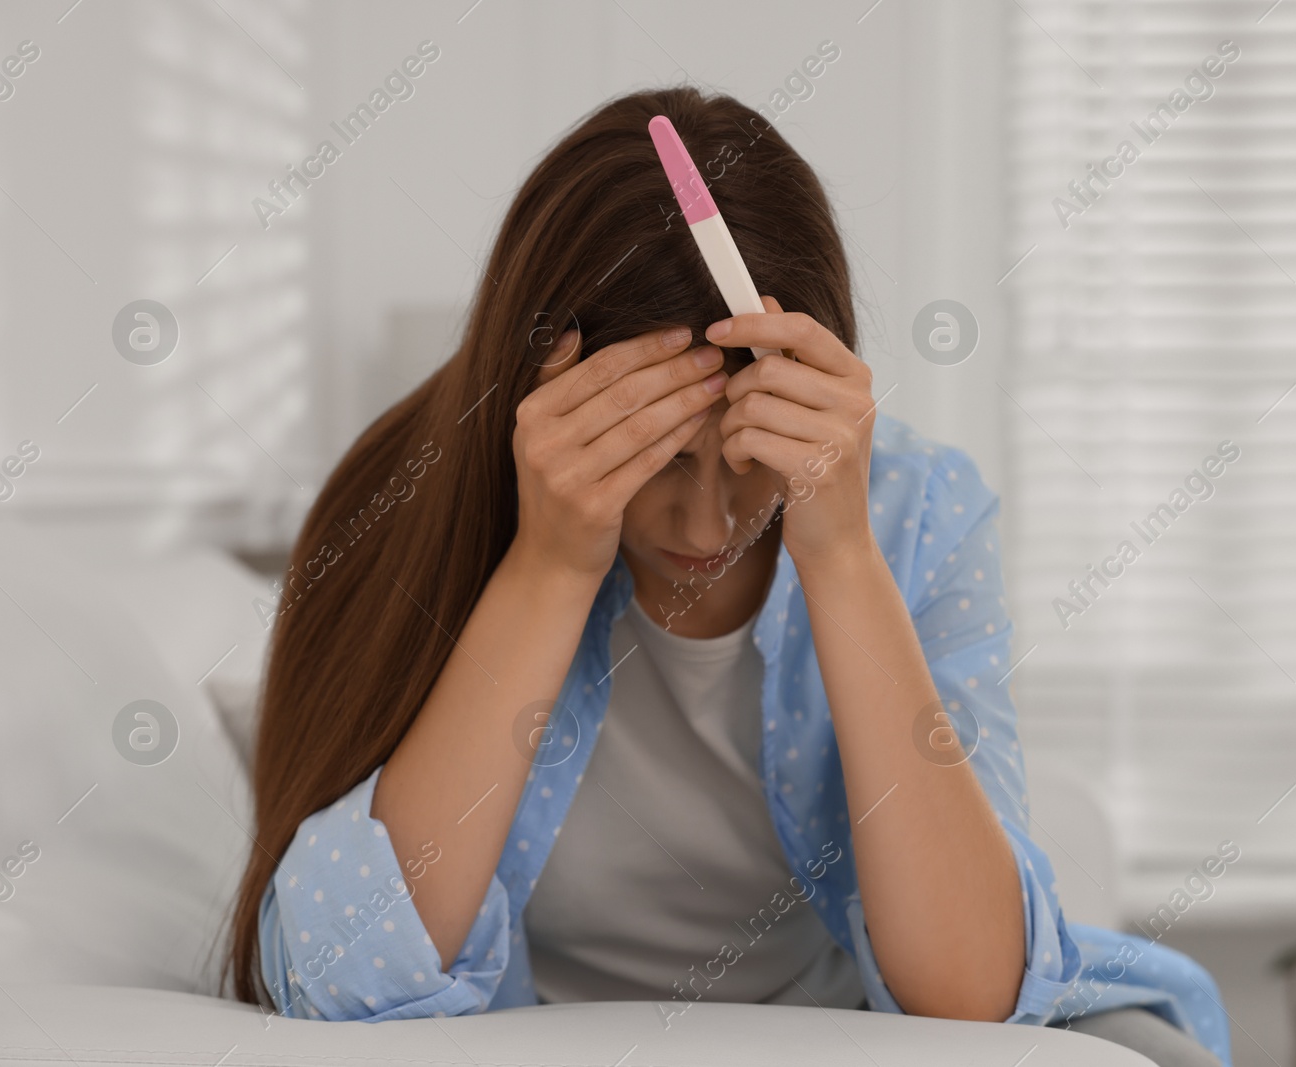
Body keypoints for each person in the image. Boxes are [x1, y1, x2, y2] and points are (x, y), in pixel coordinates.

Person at [224, 86, 1229, 1067]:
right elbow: (337, 969)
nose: (706, 525)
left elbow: (968, 993)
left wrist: (839, 558)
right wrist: (546, 565)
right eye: (656, 460)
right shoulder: (397, 501)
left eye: (752, 458)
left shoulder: (916, 508)